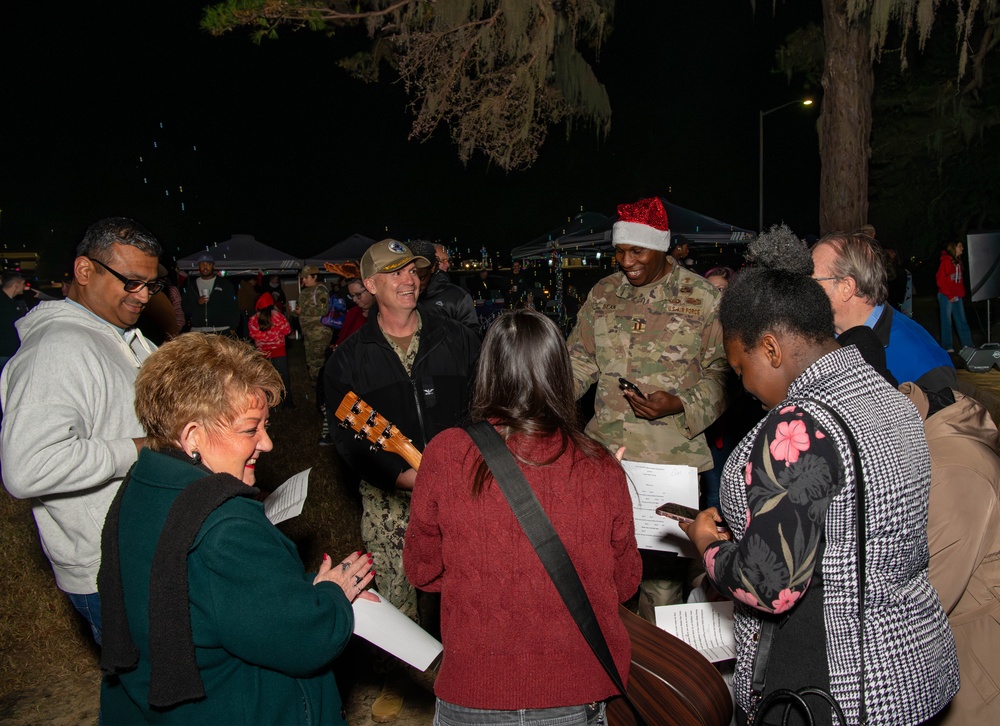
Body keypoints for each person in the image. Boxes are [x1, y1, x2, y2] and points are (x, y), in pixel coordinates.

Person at [682, 255, 959, 724]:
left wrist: (708, 547)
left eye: (740, 367)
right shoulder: (887, 393)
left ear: (770, 349)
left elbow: (769, 586)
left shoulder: (799, 425)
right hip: (911, 666)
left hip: (830, 681)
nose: (745, 387)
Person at [98, 333, 374, 724]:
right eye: (250, 429)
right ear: (192, 435)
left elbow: (221, 603)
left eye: (265, 425)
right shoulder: (226, 526)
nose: (268, 443)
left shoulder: (143, 480)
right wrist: (331, 595)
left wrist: (283, 594)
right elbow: (305, 641)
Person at [404, 309, 641, 725]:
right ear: (560, 374)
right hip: (574, 693)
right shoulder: (601, 466)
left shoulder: (445, 453)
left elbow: (422, 570)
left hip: (474, 694)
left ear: (487, 371)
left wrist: (481, 576)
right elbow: (624, 583)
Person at [325, 239, 479, 722]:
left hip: (461, 487)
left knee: (466, 583)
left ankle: (469, 671)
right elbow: (350, 443)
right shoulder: (349, 359)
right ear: (370, 285)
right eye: (394, 273)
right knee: (393, 589)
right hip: (391, 497)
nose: (408, 279)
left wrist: (466, 466)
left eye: (412, 270)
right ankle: (399, 675)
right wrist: (406, 476)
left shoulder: (456, 338)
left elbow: (484, 407)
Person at [0, 217, 162, 644]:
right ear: (85, 271)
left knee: (150, 696)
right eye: (131, 281)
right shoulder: (56, 349)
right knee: (153, 695)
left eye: (150, 284)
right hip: (109, 568)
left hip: (143, 551)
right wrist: (144, 447)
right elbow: (27, 467)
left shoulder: (125, 337)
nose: (143, 295)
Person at [567, 196, 729, 612]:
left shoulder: (702, 297)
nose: (626, 261)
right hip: (606, 458)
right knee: (599, 572)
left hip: (668, 464)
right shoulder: (604, 293)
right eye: (620, 251)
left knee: (660, 586)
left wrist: (679, 402)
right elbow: (579, 360)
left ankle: (657, 674)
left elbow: (723, 374)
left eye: (636, 251)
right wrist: (544, 402)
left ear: (663, 248)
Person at [810, 231, 956, 390]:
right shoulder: (818, 339)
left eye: (812, 281)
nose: (804, 290)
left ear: (847, 287)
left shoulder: (924, 364)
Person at [409, 239, 480, 332]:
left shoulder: (457, 297)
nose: (447, 264)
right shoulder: (397, 296)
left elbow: (472, 339)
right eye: (442, 260)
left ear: (433, 267)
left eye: (421, 278)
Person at [248, 291, 294, 408]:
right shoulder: (278, 316)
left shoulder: (253, 319)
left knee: (265, 379)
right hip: (279, 352)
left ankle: (268, 404)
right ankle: (286, 404)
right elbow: (287, 330)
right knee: (282, 379)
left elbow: (252, 334)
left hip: (262, 353)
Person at [181, 253, 240, 335]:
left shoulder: (224, 284)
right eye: (202, 264)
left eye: (208, 264)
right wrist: (197, 302)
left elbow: (233, 306)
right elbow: (185, 307)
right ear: (198, 266)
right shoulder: (192, 286)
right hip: (198, 331)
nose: (205, 267)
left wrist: (233, 326)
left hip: (221, 330)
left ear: (213, 265)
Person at [294, 264, 333, 382]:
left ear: (315, 276)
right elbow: (302, 311)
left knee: (318, 361)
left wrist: (303, 310)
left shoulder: (320, 290)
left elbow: (323, 310)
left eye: (306, 277)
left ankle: (321, 386)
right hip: (308, 332)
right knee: (310, 361)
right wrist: (296, 312)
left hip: (319, 332)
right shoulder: (305, 291)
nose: (304, 280)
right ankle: (316, 386)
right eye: (303, 278)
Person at [936, 240, 974, 352]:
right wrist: (950, 295)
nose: (962, 248)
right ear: (954, 247)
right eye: (960, 246)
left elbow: (958, 282)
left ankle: (968, 344)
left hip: (957, 296)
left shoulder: (957, 262)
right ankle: (947, 346)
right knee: (946, 321)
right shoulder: (946, 262)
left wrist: (960, 294)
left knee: (962, 320)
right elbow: (940, 280)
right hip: (946, 295)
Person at [0, 270, 27, 369]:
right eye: (22, 284)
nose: (24, 287)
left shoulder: (11, 302)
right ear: (15, 285)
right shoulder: (5, 304)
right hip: (6, 351)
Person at [339, 276, 375, 343]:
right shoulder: (353, 312)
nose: (354, 300)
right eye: (352, 296)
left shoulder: (384, 314)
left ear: (371, 290)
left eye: (358, 294)